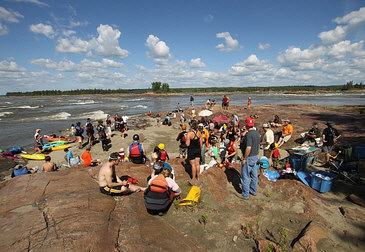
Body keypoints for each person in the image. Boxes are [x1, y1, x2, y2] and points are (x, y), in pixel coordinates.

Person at [240, 117, 261, 200]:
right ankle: (253, 190)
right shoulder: (257, 133)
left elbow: (248, 147)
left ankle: (245, 194)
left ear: (246, 125)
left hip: (249, 157)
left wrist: (244, 158)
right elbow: (258, 146)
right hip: (255, 155)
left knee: (245, 175)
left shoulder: (249, 134)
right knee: (254, 175)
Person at [186, 120, 202, 185]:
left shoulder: (189, 134)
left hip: (192, 150)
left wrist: (185, 138)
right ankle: (198, 177)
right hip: (197, 149)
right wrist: (200, 149)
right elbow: (201, 143)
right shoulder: (199, 133)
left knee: (193, 165)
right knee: (197, 164)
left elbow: (187, 144)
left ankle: (193, 178)